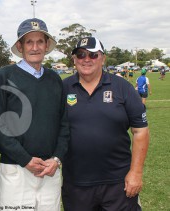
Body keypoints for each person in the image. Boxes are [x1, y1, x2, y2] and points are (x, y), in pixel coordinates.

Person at [62, 37, 150, 211]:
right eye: (81, 54)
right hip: (76, 184)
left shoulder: (122, 87)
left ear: (103, 58)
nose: (86, 59)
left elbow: (141, 131)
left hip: (119, 183)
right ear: (74, 59)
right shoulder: (62, 88)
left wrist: (136, 172)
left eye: (93, 55)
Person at [0, 18, 69, 211]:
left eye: (40, 41)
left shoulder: (55, 79)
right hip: (16, 170)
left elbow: (64, 123)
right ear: (20, 46)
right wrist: (25, 159)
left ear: (46, 45)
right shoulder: (4, 75)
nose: (35, 47)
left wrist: (57, 158)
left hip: (50, 170)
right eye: (29, 42)